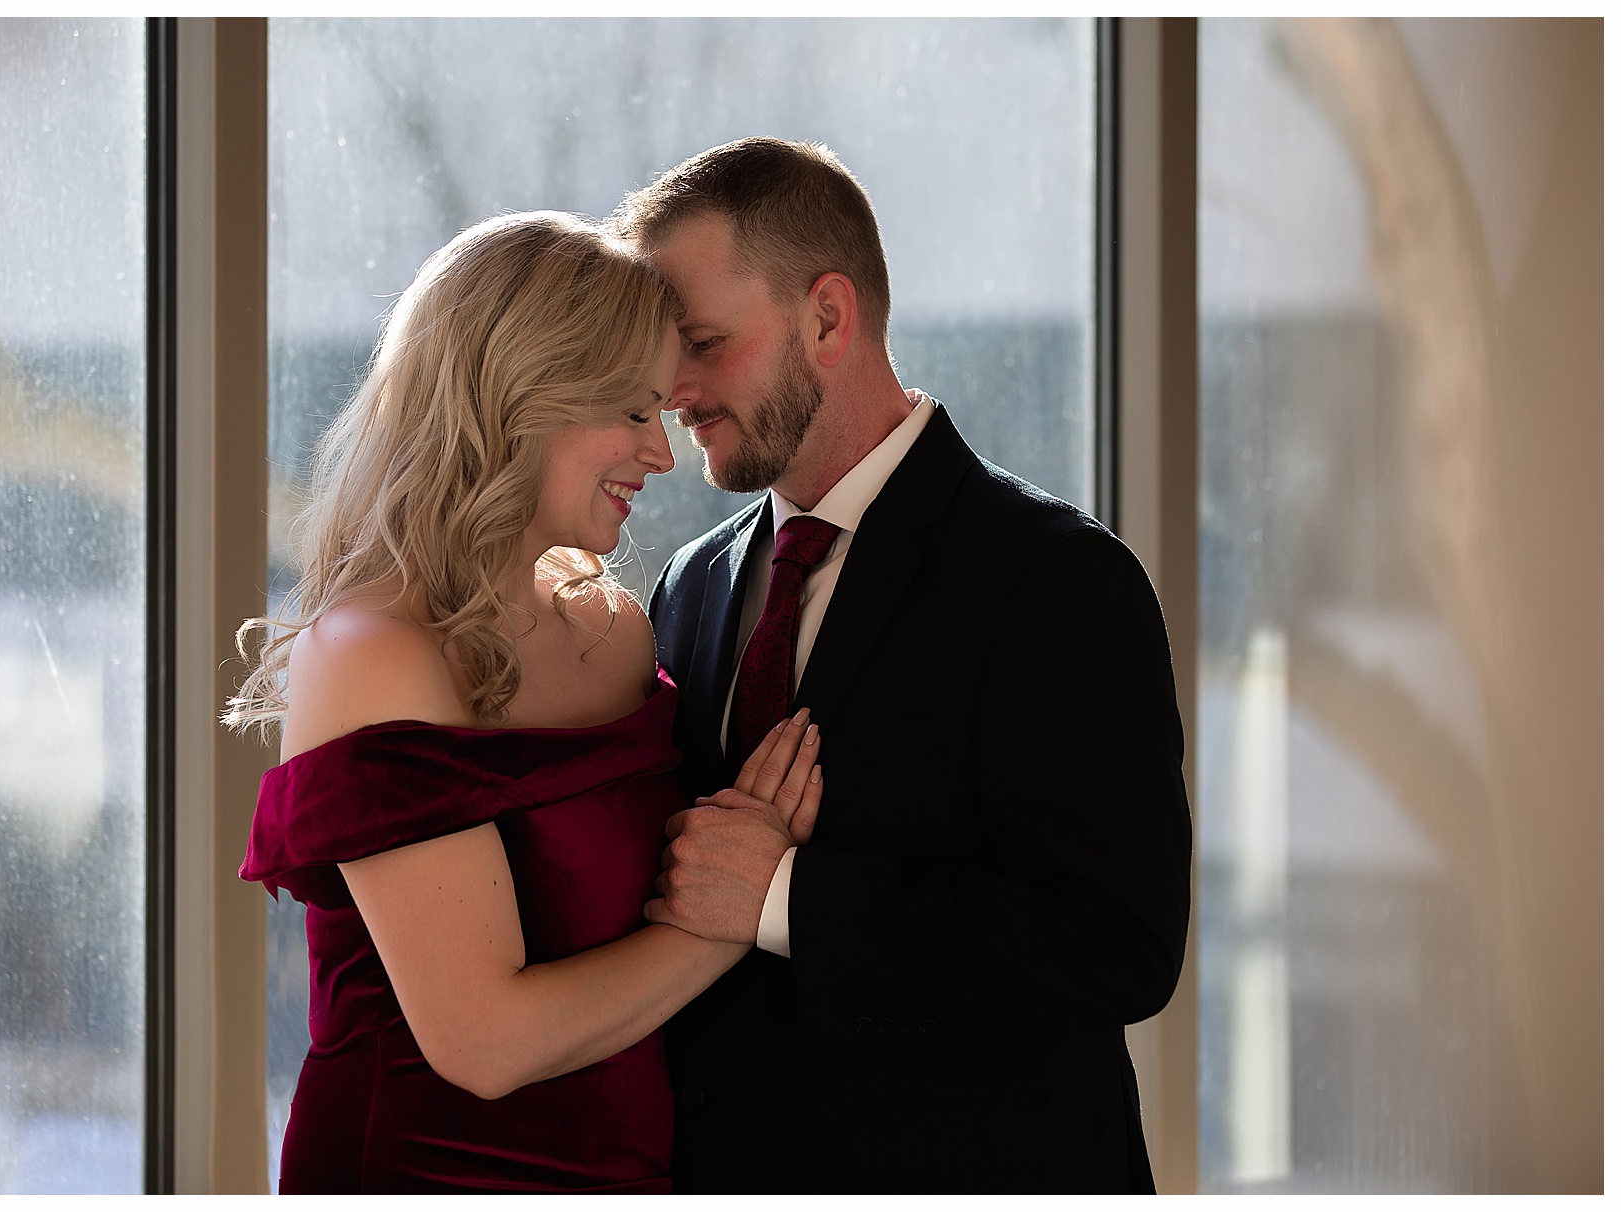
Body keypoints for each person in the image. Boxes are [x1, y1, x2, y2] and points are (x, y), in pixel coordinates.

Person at [614, 137, 1193, 1192]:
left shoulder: (1057, 579)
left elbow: (1120, 941)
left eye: (701, 341)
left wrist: (787, 896)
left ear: (829, 319)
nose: (673, 391)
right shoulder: (690, 586)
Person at [229, 212, 825, 1193]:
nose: (663, 455)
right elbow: (486, 1044)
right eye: (633, 414)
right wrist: (738, 916)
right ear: (521, 398)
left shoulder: (618, 629)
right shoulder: (373, 652)